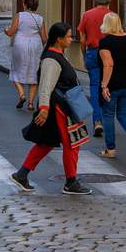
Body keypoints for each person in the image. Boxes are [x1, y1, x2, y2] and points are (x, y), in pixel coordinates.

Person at [9, 22, 92, 195]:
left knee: (46, 143)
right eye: (69, 36)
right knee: (71, 143)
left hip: (59, 106)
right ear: (59, 39)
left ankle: (22, 174)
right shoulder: (51, 60)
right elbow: (46, 86)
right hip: (59, 107)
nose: (71, 39)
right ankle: (70, 182)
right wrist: (44, 108)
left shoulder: (58, 55)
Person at [97, 12, 126, 159]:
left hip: (113, 86)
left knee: (108, 115)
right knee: (125, 114)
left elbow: (108, 64)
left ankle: (110, 149)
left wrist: (104, 86)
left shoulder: (106, 42)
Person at [77, 0, 113, 138]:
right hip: (109, 54)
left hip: (93, 52)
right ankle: (107, 120)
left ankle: (97, 121)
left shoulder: (87, 15)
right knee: (107, 86)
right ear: (109, 0)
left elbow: (82, 39)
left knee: (94, 87)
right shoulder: (113, 16)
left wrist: (84, 55)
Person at [6, 0, 46, 109]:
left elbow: (11, 32)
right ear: (36, 6)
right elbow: (44, 38)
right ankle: (30, 103)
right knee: (34, 72)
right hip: (36, 45)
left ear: (25, 5)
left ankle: (22, 94)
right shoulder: (40, 19)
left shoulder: (19, 15)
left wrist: (5, 31)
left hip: (20, 44)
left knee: (15, 70)